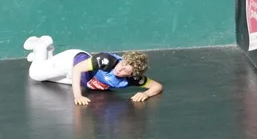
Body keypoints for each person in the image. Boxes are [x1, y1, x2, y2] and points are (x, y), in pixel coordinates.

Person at [24, 35, 163, 106]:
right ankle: (41, 45)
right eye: (122, 63)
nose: (120, 68)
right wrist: (78, 96)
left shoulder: (134, 79)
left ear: (132, 74)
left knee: (46, 79)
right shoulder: (106, 60)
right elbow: (77, 69)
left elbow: (157, 86)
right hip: (71, 62)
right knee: (35, 74)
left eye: (125, 70)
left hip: (79, 79)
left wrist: (145, 93)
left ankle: (48, 54)